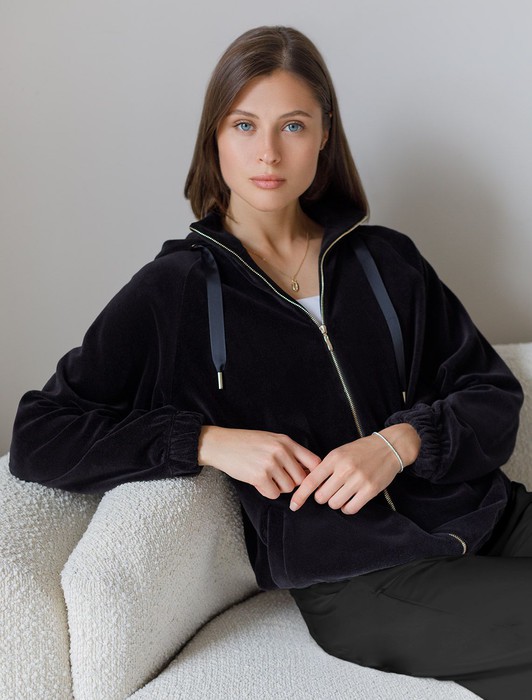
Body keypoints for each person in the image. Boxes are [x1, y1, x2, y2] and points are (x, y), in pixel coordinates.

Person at [8, 25, 531, 699]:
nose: (268, 152)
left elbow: (492, 394)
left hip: (495, 517)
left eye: (293, 125)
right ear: (214, 138)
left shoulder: (386, 261)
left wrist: (402, 443)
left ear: (324, 135)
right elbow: (40, 434)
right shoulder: (176, 292)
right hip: (363, 577)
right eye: (244, 125)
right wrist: (204, 441)